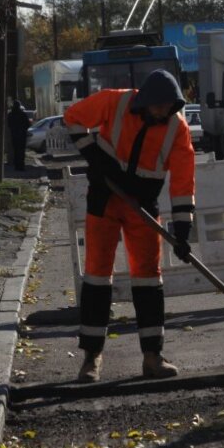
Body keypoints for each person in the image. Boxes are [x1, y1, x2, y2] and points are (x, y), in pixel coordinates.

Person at [64, 69, 196, 382]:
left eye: (168, 106)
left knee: (149, 280)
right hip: (106, 199)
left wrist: (182, 230)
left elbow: (182, 180)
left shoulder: (178, 129)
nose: (163, 111)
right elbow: (73, 116)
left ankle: (153, 357)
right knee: (97, 276)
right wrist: (93, 154)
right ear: (146, 100)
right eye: (159, 105)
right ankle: (91, 358)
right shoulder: (117, 102)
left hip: (142, 207)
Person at [6, 99, 31, 170]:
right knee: (21, 151)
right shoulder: (23, 114)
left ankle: (17, 166)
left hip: (14, 135)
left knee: (16, 151)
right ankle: (21, 166)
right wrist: (23, 129)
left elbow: (9, 124)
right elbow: (28, 124)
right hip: (22, 135)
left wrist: (13, 129)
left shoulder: (10, 115)